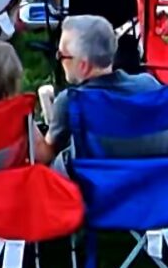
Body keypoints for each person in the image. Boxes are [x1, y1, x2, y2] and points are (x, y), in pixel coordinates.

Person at [41, 16, 157, 162]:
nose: (59, 60)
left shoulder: (71, 102)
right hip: (150, 177)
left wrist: (27, 122)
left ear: (83, 65)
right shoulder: (149, 85)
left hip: (95, 181)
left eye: (61, 55)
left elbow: (45, 156)